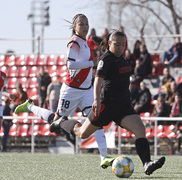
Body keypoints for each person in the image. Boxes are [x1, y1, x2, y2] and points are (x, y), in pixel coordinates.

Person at [50, 30, 165, 175]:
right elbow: (98, 80)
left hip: (123, 106)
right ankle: (61, 121)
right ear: (110, 43)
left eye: (123, 45)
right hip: (106, 106)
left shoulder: (123, 58)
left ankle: (147, 163)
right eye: (117, 45)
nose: (120, 48)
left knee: (140, 129)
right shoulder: (106, 59)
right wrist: (97, 100)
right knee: (82, 133)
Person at [14, 14, 113, 168]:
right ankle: (30, 106)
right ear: (75, 27)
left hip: (86, 90)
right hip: (71, 90)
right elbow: (70, 65)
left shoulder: (85, 42)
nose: (85, 26)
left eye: (87, 23)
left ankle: (104, 157)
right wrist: (90, 63)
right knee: (56, 120)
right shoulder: (73, 43)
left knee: (97, 119)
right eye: (81, 24)